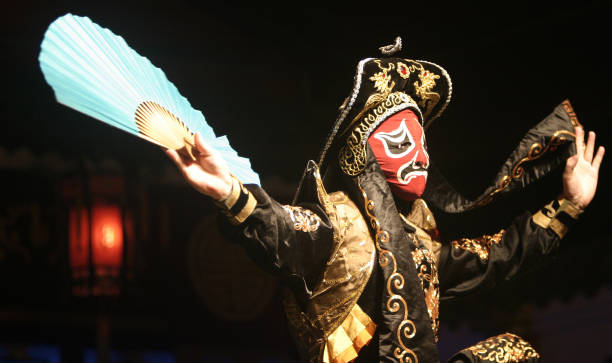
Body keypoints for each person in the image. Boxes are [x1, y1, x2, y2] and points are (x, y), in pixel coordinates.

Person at [166, 40, 604, 362]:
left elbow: (498, 256)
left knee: (512, 355)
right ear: (363, 155)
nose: (421, 158)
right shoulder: (338, 221)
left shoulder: (421, 244)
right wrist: (229, 190)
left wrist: (568, 204)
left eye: (423, 144)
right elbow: (284, 230)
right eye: (399, 143)